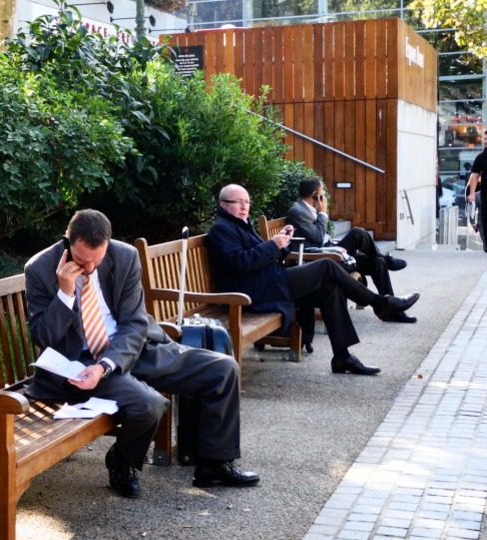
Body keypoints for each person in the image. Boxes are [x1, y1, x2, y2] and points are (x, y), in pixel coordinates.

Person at [24, 209, 258, 497]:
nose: (89, 268)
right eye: (82, 260)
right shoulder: (39, 268)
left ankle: (214, 464)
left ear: (107, 243)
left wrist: (108, 364)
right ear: (67, 242)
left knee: (223, 369)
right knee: (149, 405)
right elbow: (43, 337)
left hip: (131, 348)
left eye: (96, 260)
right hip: (81, 364)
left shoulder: (124, 256)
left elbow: (134, 322)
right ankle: (122, 460)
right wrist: (65, 293)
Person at [208, 184, 420, 376]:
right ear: (223, 205)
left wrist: (282, 243)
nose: (244, 207)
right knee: (327, 265)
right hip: (254, 292)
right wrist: (273, 245)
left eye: (247, 202)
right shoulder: (221, 229)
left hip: (268, 282)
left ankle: (342, 357)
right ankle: (381, 303)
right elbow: (240, 263)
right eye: (238, 202)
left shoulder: (238, 224)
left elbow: (260, 255)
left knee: (330, 288)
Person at [286, 178, 414, 323]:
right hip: (321, 259)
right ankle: (387, 260)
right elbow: (317, 237)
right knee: (357, 233)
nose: (324, 198)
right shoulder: (297, 211)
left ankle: (392, 311)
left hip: (329, 252)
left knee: (377, 262)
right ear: (315, 195)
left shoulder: (308, 209)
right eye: (322, 194)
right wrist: (322, 213)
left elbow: (320, 237)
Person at [465, 146, 487, 251]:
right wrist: (472, 194)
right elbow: (474, 176)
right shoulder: (481, 157)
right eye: (485, 138)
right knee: (484, 220)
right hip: (485, 195)